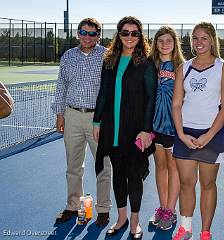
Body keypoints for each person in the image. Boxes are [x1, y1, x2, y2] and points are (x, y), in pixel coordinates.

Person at [92, 16, 157, 239]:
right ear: (118, 35)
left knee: (134, 176)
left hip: (135, 130)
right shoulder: (109, 60)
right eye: (125, 32)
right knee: (118, 174)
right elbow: (103, 93)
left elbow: (151, 98)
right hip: (112, 128)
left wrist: (146, 130)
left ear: (140, 37)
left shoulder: (146, 62)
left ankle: (135, 223)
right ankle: (121, 218)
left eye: (134, 33)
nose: (129, 37)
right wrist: (97, 121)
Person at [172, 22, 224, 240]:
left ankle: (205, 231)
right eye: (195, 38)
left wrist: (208, 135)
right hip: (185, 134)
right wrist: (181, 134)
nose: (199, 42)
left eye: (204, 38)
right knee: (187, 184)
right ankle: (185, 228)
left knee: (208, 185)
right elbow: (177, 104)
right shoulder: (184, 67)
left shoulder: (223, 67)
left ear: (212, 40)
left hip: (212, 134)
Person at [52, 18, 112, 227]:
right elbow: (61, 86)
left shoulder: (107, 55)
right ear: (78, 33)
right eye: (83, 32)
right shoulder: (68, 56)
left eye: (92, 33)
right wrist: (60, 114)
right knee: (73, 166)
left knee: (103, 165)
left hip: (99, 119)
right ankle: (72, 206)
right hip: (72, 116)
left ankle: (103, 209)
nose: (87, 37)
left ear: (98, 35)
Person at [148, 26, 185, 231]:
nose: (164, 45)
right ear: (155, 44)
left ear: (174, 43)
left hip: (174, 127)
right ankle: (162, 208)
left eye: (168, 41)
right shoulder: (149, 65)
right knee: (160, 167)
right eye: (160, 41)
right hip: (154, 126)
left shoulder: (182, 66)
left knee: (173, 168)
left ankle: (170, 211)